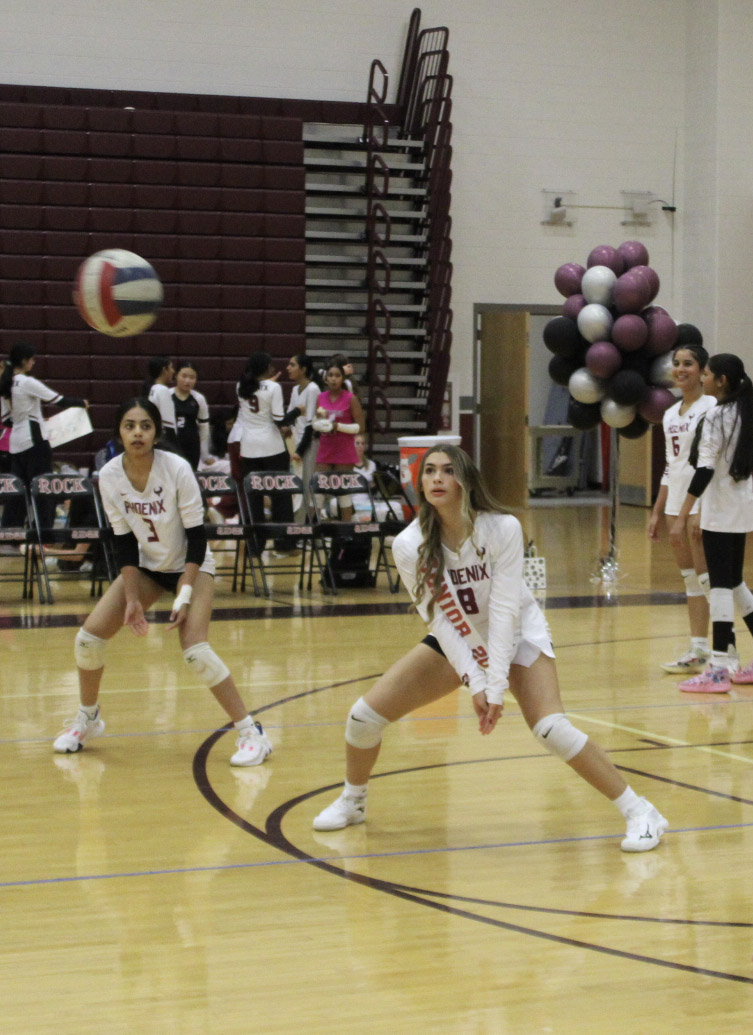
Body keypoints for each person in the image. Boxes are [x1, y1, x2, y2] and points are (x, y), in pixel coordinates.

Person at [313, 445, 668, 852]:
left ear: (466, 479)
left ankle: (642, 813)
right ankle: (353, 801)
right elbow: (440, 621)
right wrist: (474, 683)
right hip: (458, 635)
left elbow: (502, 613)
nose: (436, 479)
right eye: (428, 471)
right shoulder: (409, 544)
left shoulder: (502, 528)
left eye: (447, 470)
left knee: (551, 728)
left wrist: (494, 687)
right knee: (362, 718)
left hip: (517, 633)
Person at [52, 397, 272, 766]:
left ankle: (252, 733)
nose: (137, 432)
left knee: (196, 652)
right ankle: (88, 718)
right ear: (119, 433)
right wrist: (133, 598)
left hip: (192, 565)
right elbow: (122, 542)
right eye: (129, 426)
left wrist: (184, 593)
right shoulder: (108, 476)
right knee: (88, 641)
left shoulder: (177, 469)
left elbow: (197, 538)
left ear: (156, 432)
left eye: (145, 426)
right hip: (147, 567)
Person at [671, 353, 753, 693]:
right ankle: (723, 664)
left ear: (721, 381)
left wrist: (685, 512)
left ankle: (718, 667)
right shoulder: (746, 412)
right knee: (734, 582)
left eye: (706, 374)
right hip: (743, 509)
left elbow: (704, 469)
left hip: (721, 511)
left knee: (720, 585)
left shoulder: (717, 415)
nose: (702, 378)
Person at [648, 343, 717, 674]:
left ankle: (724, 652)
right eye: (676, 363)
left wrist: (703, 510)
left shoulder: (712, 407)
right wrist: (657, 510)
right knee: (691, 581)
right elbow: (669, 465)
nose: (680, 369)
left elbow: (714, 463)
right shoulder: (670, 412)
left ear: (703, 371)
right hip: (675, 502)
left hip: (701, 501)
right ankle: (699, 650)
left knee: (709, 579)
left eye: (688, 363)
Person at [0, 342, 89, 530]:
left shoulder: (5, 385)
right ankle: (44, 531)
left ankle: (10, 530)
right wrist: (82, 402)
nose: (33, 363)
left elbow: (7, 420)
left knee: (17, 489)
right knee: (43, 487)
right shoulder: (26, 382)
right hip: (35, 444)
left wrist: (32, 418)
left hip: (16, 444)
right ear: (24, 361)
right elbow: (58, 400)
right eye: (32, 359)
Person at [236, 352, 294, 549]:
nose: (273, 368)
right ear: (265, 367)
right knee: (281, 496)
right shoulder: (274, 387)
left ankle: (255, 545)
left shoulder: (241, 386)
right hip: (272, 448)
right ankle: (284, 544)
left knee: (254, 498)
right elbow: (280, 419)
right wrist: (298, 412)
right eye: (271, 365)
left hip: (249, 448)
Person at [314, 360, 365, 522]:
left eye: (337, 376)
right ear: (325, 378)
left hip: (344, 449)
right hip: (326, 447)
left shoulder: (351, 398)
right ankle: (313, 529)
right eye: (330, 375)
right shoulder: (320, 397)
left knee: (343, 491)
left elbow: (360, 427)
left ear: (343, 379)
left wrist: (337, 426)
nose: (333, 379)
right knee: (318, 488)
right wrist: (320, 424)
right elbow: (316, 422)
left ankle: (346, 533)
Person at [285, 353, 321, 521]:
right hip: (295, 442)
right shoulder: (294, 389)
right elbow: (290, 416)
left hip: (309, 444)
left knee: (306, 485)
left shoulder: (313, 389)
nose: (288, 368)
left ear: (303, 369)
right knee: (296, 484)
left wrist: (300, 450)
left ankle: (303, 528)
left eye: (292, 365)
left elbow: (311, 424)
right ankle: (297, 525)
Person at [171, 360, 212, 471]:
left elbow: (204, 427)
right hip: (171, 446)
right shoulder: (167, 395)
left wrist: (205, 454)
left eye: (192, 377)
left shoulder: (199, 399)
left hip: (191, 446)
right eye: (184, 376)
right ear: (176, 376)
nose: (187, 381)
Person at [143, 356, 178, 447]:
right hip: (162, 442)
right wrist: (175, 448)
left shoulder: (152, 388)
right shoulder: (162, 390)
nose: (173, 371)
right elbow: (168, 425)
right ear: (164, 370)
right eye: (171, 367)